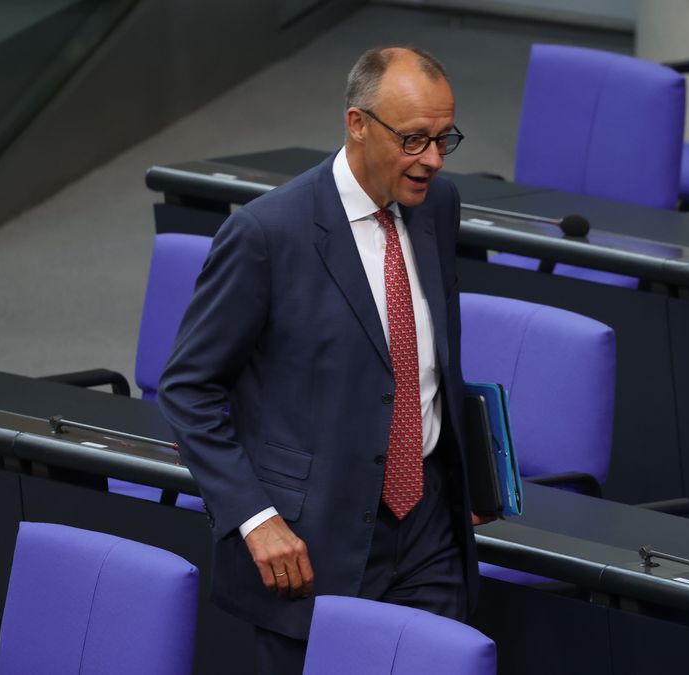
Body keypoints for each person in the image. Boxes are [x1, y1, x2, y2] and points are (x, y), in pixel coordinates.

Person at [158, 46, 480, 673]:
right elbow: (188, 389)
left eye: (446, 139)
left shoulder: (438, 207)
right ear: (358, 124)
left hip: (428, 528)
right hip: (314, 543)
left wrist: (469, 462)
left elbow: (425, 358)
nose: (433, 161)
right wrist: (254, 518)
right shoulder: (266, 234)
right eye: (415, 140)